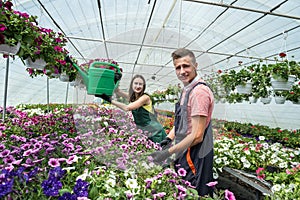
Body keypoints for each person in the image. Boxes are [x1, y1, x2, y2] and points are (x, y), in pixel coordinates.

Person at [150, 48, 214, 197]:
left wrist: (167, 152)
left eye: (186, 66)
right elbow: (182, 122)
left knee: (193, 191)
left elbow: (197, 135)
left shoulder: (199, 93)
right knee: (182, 188)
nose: (182, 71)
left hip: (195, 153)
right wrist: (168, 139)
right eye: (177, 67)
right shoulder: (187, 90)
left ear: (195, 66)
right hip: (184, 149)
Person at [98, 74, 167, 143]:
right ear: (132, 85)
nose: (138, 86)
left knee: (158, 152)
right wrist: (116, 80)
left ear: (143, 86)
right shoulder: (133, 97)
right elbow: (118, 91)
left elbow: (127, 108)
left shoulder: (145, 98)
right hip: (146, 132)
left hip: (155, 132)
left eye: (140, 84)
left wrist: (109, 100)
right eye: (136, 83)